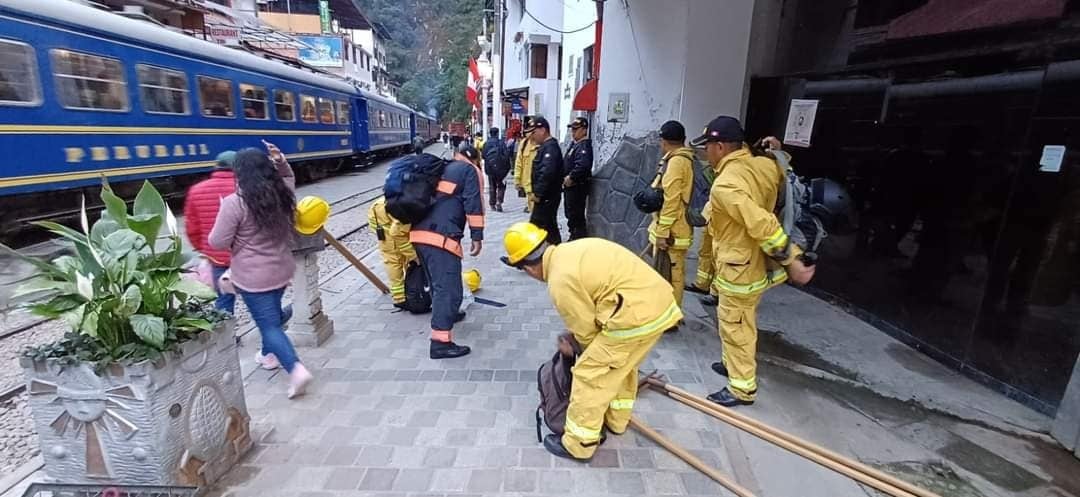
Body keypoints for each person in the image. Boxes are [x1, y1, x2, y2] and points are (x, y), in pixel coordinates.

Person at [501, 222, 683, 461]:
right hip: (659, 305)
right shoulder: (573, 250)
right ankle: (617, 420)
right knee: (622, 364)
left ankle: (579, 443)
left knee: (590, 374)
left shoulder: (559, 281)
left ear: (528, 268)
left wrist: (577, 349)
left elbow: (587, 333)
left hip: (633, 316)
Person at [690, 116, 814, 407]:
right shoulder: (764, 164)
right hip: (750, 263)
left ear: (720, 147)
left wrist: (792, 259)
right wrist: (778, 150)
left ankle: (741, 388)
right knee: (739, 320)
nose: (704, 152)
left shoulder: (727, 184)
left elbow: (762, 223)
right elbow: (783, 168)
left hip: (739, 267)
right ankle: (731, 363)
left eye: (707, 146)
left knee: (736, 325)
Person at [209, 143, 314, 398]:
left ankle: (296, 369)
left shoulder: (235, 203)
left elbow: (217, 241)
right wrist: (280, 160)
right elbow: (288, 176)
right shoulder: (282, 194)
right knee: (272, 315)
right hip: (281, 268)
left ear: (240, 173)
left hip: (253, 277)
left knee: (268, 325)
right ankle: (269, 355)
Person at [409, 143, 485, 359]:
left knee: (437, 284)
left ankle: (447, 314)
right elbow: (473, 203)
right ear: (474, 159)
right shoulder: (468, 171)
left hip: (418, 236)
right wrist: (477, 236)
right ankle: (440, 342)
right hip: (440, 239)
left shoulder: (441, 168)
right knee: (449, 289)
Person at [648, 121, 696, 307]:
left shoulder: (676, 162)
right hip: (675, 228)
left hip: (673, 233)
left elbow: (671, 200)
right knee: (671, 273)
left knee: (671, 275)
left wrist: (662, 233)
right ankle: (667, 312)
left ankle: (670, 316)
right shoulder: (681, 158)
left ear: (664, 141)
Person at [184, 151, 237, 314]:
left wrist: (205, 249)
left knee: (223, 301)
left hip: (217, 257)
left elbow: (192, 228)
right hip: (248, 257)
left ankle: (228, 338)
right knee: (260, 300)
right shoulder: (248, 188)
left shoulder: (196, 190)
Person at [369, 196, 418, 308]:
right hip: (396, 239)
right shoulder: (403, 208)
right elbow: (398, 233)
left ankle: (399, 297)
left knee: (392, 265)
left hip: (384, 240)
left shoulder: (378, 203)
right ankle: (402, 298)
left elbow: (372, 224)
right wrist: (413, 255)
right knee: (400, 265)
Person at [527, 116, 565, 245]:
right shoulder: (545, 147)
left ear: (542, 130)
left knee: (537, 228)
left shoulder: (550, 148)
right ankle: (555, 252)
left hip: (547, 197)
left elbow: (547, 173)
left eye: (533, 132)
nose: (531, 136)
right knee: (549, 228)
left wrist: (538, 193)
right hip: (547, 197)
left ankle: (529, 257)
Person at [562, 117, 593, 241]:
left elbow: (583, 166)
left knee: (575, 214)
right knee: (570, 212)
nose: (573, 132)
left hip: (577, 186)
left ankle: (577, 237)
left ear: (584, 130)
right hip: (570, 187)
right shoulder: (576, 145)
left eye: (576, 129)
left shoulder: (584, 146)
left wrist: (571, 177)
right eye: (572, 130)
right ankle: (574, 234)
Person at [514, 116, 539, 213]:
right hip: (528, 187)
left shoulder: (544, 144)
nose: (528, 133)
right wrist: (517, 180)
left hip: (540, 188)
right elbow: (519, 162)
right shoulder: (524, 144)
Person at [482, 127, 510, 212]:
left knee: (492, 186)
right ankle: (499, 201)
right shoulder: (501, 143)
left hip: (490, 168)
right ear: (497, 133)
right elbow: (506, 155)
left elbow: (483, 155)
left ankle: (492, 204)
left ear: (490, 133)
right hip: (501, 169)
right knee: (501, 185)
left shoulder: (486, 144)